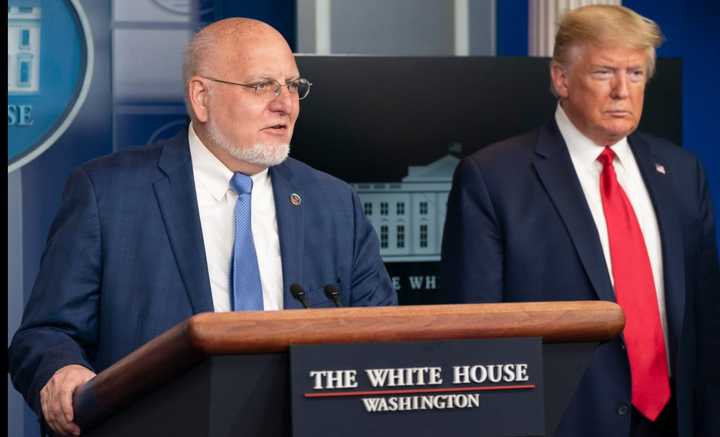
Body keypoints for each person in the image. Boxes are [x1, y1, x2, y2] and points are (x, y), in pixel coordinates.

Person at [9, 18, 396, 436]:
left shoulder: (333, 202)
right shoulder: (108, 194)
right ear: (201, 97)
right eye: (262, 85)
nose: (285, 104)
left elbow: (384, 338)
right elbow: (46, 335)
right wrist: (62, 373)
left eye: (293, 86)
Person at [441, 5, 718, 437]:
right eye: (605, 72)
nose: (622, 91)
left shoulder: (682, 173)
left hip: (672, 422)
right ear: (561, 79)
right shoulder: (494, 178)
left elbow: (704, 321)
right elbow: (473, 336)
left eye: (636, 74)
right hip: (561, 424)